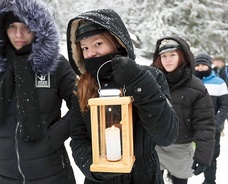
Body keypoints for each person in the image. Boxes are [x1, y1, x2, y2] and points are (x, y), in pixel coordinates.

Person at [66, 9, 179, 184]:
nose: (90, 54)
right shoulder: (82, 87)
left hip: (145, 176)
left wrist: (139, 82)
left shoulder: (150, 77)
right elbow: (78, 138)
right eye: (85, 48)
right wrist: (93, 166)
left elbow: (167, 135)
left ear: (117, 43)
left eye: (98, 44)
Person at [0, 0, 76, 183]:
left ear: (37, 28)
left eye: (26, 26)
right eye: (12, 26)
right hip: (3, 174)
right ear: (2, 28)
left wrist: (51, 139)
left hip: (51, 174)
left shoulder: (55, 64)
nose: (18, 34)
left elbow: (80, 105)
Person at [152, 37, 216, 184]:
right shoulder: (152, 82)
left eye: (172, 55)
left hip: (181, 148)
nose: (167, 60)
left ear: (182, 56)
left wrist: (203, 156)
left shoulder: (196, 87)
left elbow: (205, 124)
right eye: (164, 56)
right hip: (155, 146)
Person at [194, 53, 228, 184]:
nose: (200, 68)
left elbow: (224, 106)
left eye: (203, 65)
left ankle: (209, 180)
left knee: (211, 156)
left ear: (209, 66)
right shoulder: (190, 82)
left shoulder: (219, 83)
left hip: (212, 128)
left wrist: (216, 123)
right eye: (197, 65)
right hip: (192, 127)